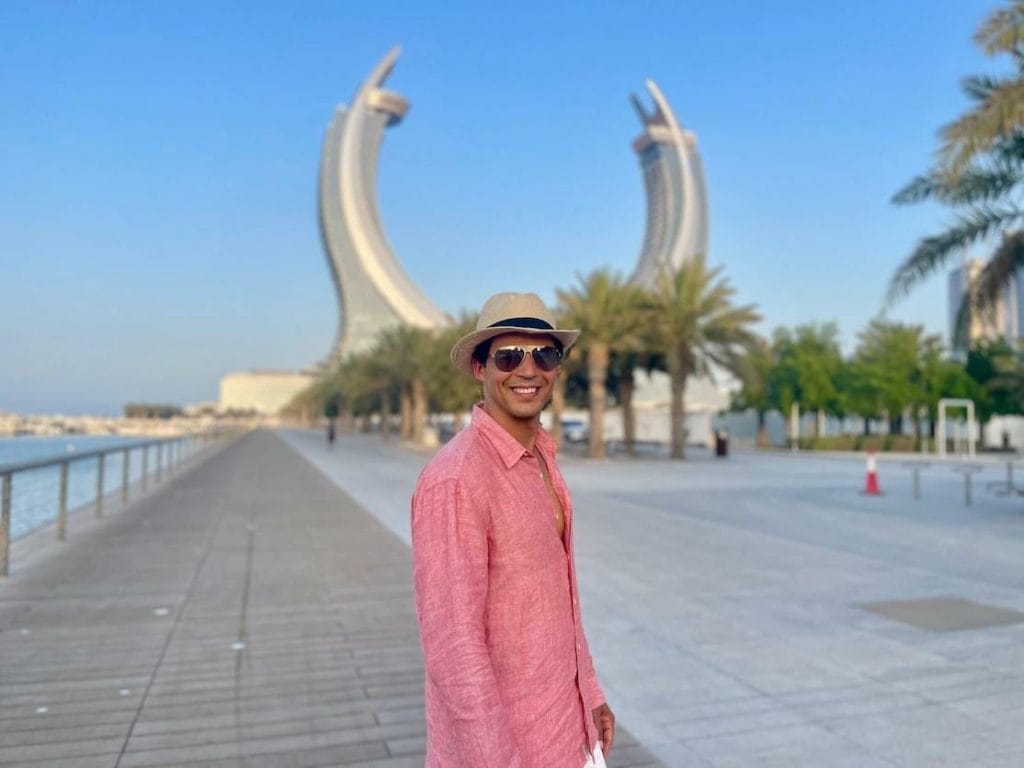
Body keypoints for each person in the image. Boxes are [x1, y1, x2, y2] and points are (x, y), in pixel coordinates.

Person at [411, 292, 614, 768]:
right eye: (509, 356)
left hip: (571, 735)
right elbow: (453, 648)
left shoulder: (540, 456)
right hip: (509, 753)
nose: (528, 371)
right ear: (481, 369)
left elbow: (559, 600)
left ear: (558, 367)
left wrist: (591, 693)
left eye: (544, 354)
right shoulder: (456, 479)